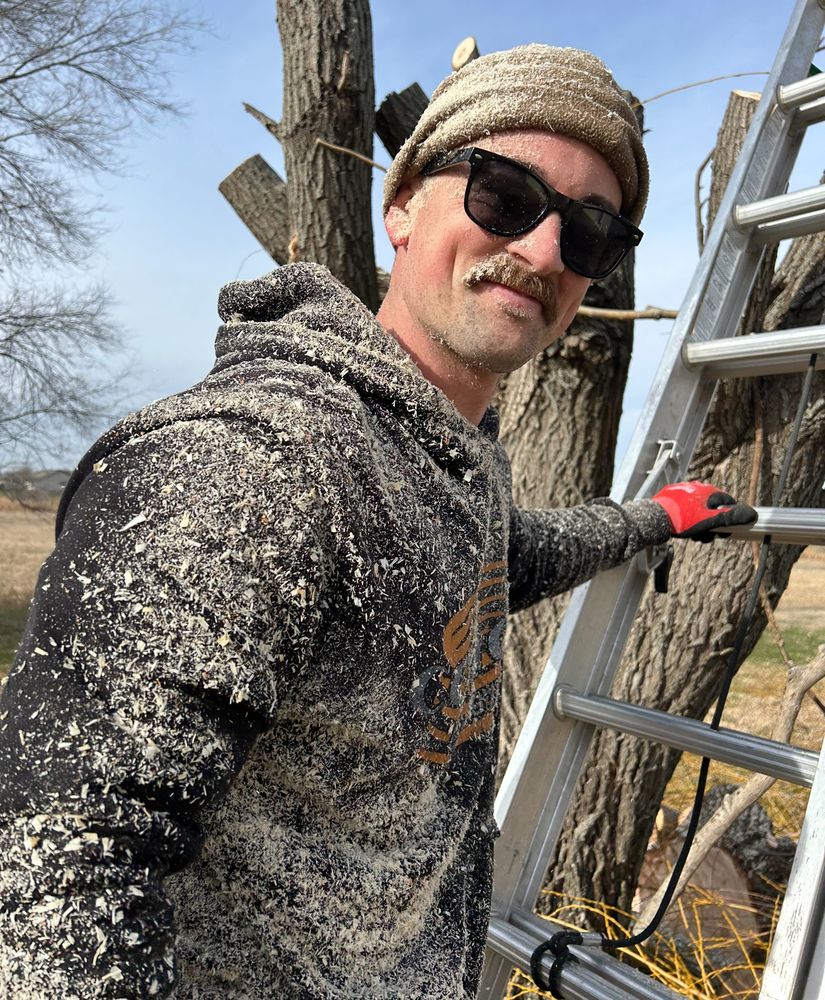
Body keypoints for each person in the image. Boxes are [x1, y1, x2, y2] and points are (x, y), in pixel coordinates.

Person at [0, 45, 755, 999]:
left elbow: (500, 555)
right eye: (504, 195)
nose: (542, 252)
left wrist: (654, 517)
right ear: (399, 205)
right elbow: (55, 879)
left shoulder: (444, 461)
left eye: (590, 232)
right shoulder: (252, 464)